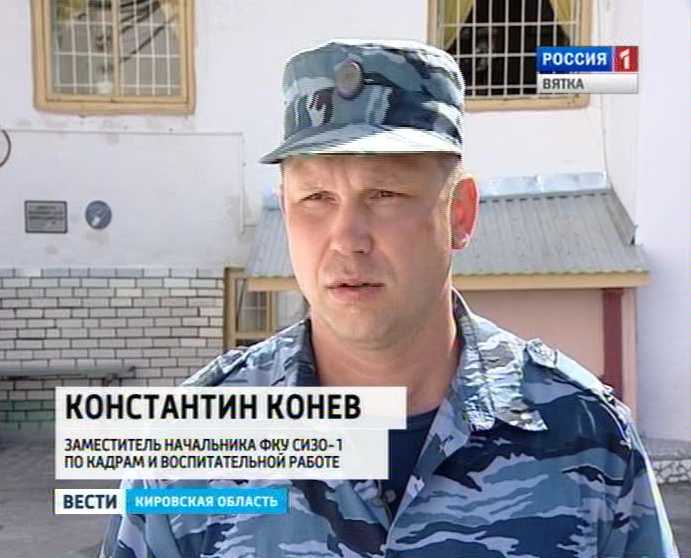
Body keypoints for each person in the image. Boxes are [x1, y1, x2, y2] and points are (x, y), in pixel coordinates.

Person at [100, 39, 678, 558]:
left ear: (459, 214)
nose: (347, 239)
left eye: (384, 194)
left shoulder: (586, 434)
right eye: (316, 198)